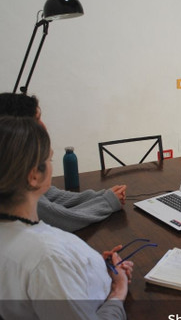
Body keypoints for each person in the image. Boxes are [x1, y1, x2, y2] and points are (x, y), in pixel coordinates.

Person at [0, 116, 133, 320]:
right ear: (34, 176)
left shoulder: (16, 237)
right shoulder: (47, 260)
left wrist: (86, 268)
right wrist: (118, 290)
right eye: (50, 159)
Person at [0, 92, 126, 232]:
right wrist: (107, 201)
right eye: (37, 119)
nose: (44, 126)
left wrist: (101, 196)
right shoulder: (19, 185)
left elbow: (51, 197)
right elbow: (60, 218)